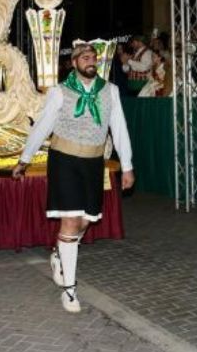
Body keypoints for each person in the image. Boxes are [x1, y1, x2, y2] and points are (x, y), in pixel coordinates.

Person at [12, 43, 133, 314]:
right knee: (70, 220)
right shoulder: (59, 92)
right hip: (64, 160)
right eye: (85, 57)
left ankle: (58, 254)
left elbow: (120, 129)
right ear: (74, 63)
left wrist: (127, 166)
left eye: (94, 58)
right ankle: (70, 290)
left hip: (93, 162)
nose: (91, 61)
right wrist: (25, 158)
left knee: (87, 220)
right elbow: (42, 126)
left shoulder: (110, 91)